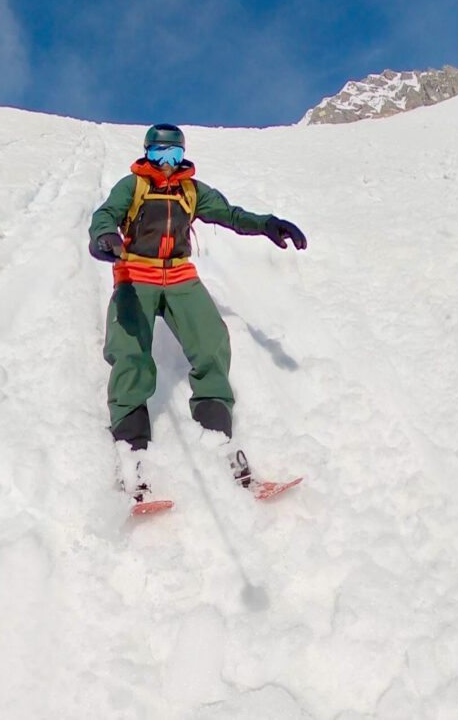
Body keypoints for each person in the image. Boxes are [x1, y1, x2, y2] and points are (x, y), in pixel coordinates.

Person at [89, 124, 307, 487]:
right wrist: (104, 236)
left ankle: (216, 429)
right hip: (136, 273)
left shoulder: (190, 190)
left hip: (177, 275)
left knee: (211, 341)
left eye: (173, 155)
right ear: (147, 153)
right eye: (159, 155)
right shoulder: (134, 185)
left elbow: (230, 214)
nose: (166, 163)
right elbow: (107, 213)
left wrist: (267, 224)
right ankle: (132, 444)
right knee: (130, 352)